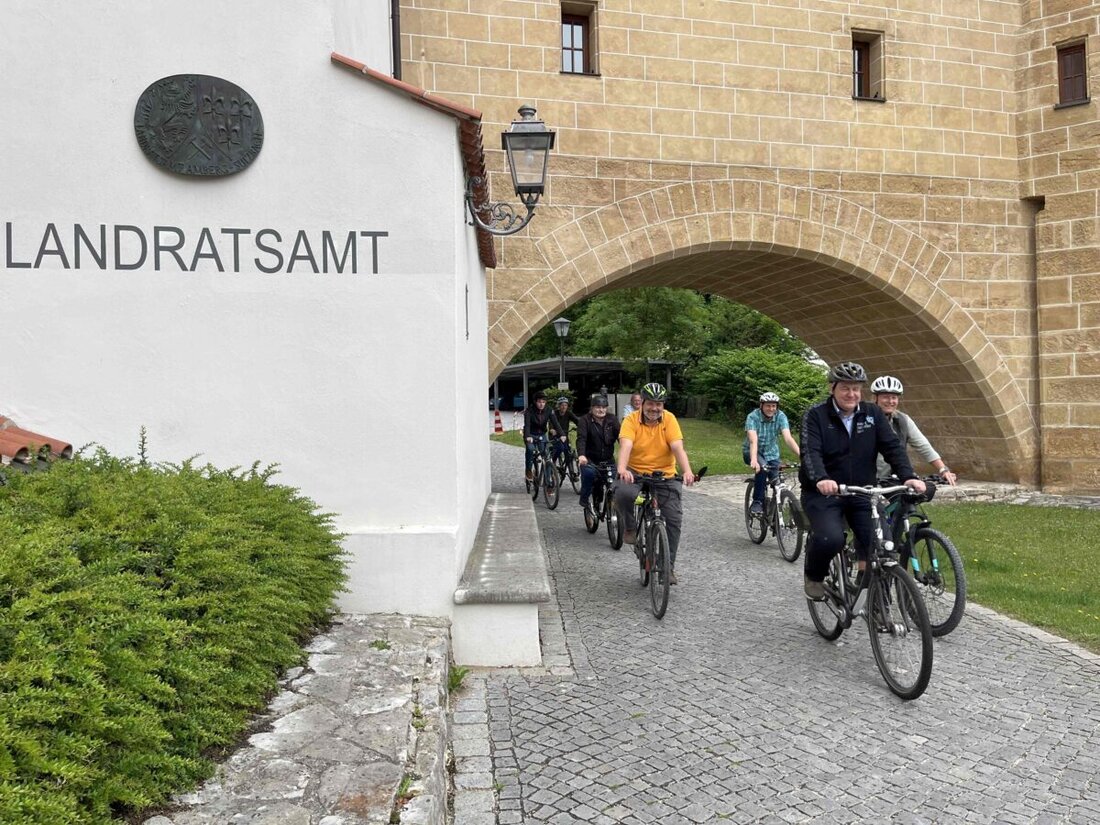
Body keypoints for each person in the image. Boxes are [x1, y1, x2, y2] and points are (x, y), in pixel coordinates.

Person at [800, 362, 926, 600]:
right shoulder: (815, 415)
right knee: (830, 538)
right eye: (845, 388)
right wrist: (821, 478)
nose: (851, 394)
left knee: (884, 545)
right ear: (832, 389)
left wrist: (909, 476)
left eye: (856, 389)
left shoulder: (872, 414)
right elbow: (810, 452)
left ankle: (873, 599)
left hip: (862, 491)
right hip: (824, 493)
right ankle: (814, 576)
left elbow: (892, 447)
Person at [615, 382, 697, 585]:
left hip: (665, 476)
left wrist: (687, 471)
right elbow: (626, 445)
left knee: (674, 520)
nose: (654, 408)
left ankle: (667, 567)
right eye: (650, 404)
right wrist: (622, 469)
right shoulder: (631, 420)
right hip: (636, 474)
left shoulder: (669, 419)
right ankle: (630, 527)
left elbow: (677, 446)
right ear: (641, 403)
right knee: (622, 493)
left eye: (659, 404)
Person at [870, 375, 957, 486]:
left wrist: (943, 469)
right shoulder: (865, 418)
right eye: (886, 397)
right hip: (867, 478)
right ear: (875, 398)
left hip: (890, 479)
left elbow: (923, 445)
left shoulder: (902, 420)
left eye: (894, 397)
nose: (890, 401)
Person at [744, 391, 801, 514]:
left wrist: (803, 456)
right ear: (761, 406)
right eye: (768, 405)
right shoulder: (753, 417)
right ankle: (757, 502)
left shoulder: (781, 416)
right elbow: (753, 440)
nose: (771, 409)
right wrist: (754, 459)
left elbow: (788, 438)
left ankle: (775, 511)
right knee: (763, 469)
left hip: (772, 453)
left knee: (777, 480)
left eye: (773, 406)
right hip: (753, 451)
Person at [575, 395, 620, 510]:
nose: (601, 410)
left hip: (608, 459)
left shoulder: (612, 419)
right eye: (598, 407)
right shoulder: (584, 420)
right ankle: (584, 499)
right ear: (592, 408)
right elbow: (581, 439)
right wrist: (581, 455)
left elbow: (621, 437)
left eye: (604, 407)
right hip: (590, 459)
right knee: (589, 475)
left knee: (616, 484)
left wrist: (629, 451)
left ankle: (613, 509)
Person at [522, 391, 550, 482]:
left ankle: (549, 482)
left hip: (542, 435)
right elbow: (527, 425)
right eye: (539, 402)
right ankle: (528, 470)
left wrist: (562, 434)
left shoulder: (549, 410)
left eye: (543, 402)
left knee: (546, 457)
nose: (541, 404)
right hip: (531, 434)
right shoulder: (529, 411)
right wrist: (528, 436)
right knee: (530, 449)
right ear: (535, 402)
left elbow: (556, 423)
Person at [548, 396, 581, 464]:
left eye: (565, 405)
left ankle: (571, 471)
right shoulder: (554, 413)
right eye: (562, 405)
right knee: (560, 448)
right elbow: (551, 424)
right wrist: (552, 430)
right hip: (555, 436)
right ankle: (552, 463)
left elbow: (577, 420)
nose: (564, 407)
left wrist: (582, 426)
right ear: (559, 406)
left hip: (565, 436)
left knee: (568, 452)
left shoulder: (568, 413)